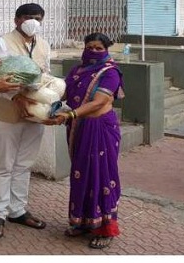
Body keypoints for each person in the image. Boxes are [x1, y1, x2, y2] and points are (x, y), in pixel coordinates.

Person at [44, 33, 124, 250]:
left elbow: (99, 102)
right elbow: (64, 93)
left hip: (99, 129)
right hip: (78, 128)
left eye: (99, 48)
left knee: (101, 175)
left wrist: (70, 115)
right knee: (81, 175)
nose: (94, 51)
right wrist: (44, 100)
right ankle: (82, 223)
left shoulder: (110, 72)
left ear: (107, 49)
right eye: (90, 46)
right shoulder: (77, 70)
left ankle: (105, 228)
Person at [0, 3, 51, 240]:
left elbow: (44, 76)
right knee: (4, 164)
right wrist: (17, 97)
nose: (33, 21)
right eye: (28, 17)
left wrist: (47, 100)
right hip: (8, 112)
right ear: (16, 20)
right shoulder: (1, 42)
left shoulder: (43, 45)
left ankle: (18, 210)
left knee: (24, 164)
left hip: (34, 114)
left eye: (37, 18)